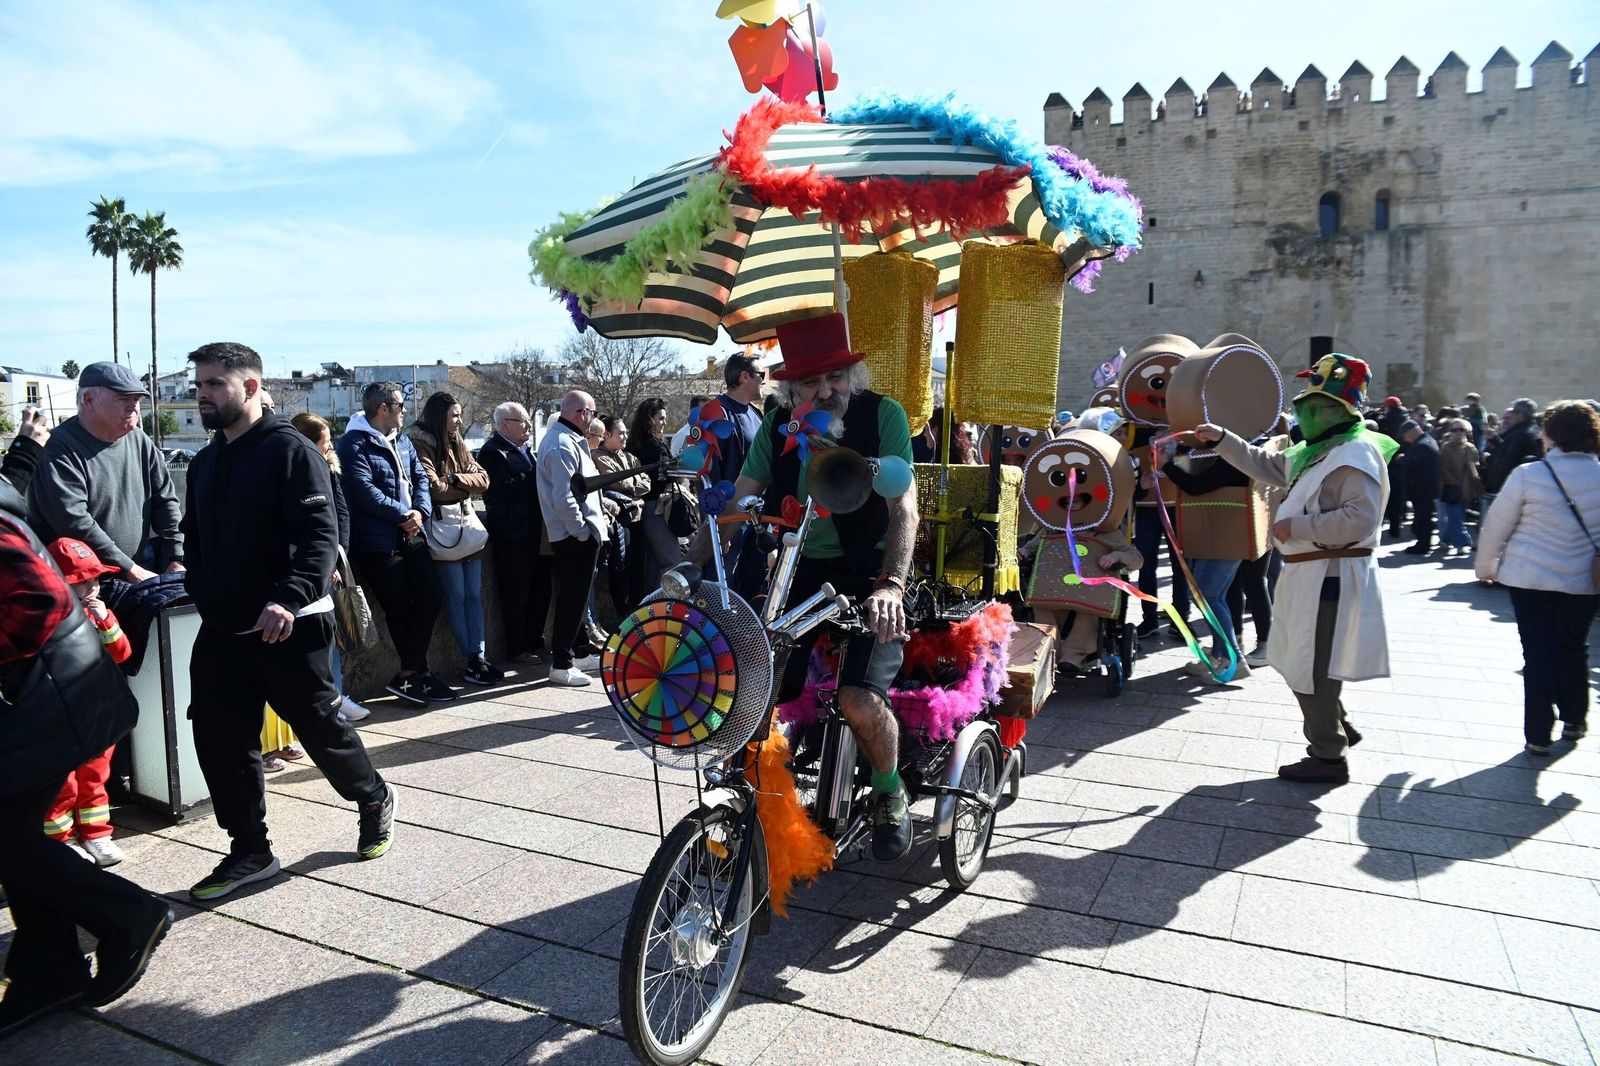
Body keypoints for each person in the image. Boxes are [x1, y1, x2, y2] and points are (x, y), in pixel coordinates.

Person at [698, 312, 919, 861]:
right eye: (812, 383)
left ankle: (891, 793)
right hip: (800, 571)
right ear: (791, 388)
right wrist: (689, 566)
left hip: (872, 569)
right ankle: (759, 803)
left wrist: (891, 583)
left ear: (853, 377)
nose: (826, 391)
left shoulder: (882, 414)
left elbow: (905, 506)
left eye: (835, 378)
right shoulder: (777, 427)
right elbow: (738, 498)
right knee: (756, 690)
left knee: (859, 699)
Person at [181, 342, 396, 901]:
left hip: (289, 625)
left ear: (250, 387)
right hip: (225, 630)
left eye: (213, 384)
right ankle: (250, 849)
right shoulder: (205, 461)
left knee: (319, 726)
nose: (200, 394)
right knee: (220, 736)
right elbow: (194, 540)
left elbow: (320, 539)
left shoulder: (290, 451)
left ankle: (372, 796)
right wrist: (205, 594)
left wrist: (287, 598)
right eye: (198, 384)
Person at [0, 437, 170, 1039]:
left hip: (49, 700)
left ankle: (126, 917)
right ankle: (49, 968)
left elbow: (37, 601)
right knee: (14, 838)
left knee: (10, 840)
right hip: (50, 698)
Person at [1185, 354, 1397, 784]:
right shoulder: (1318, 451)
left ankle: (1328, 755)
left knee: (1311, 667)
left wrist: (1295, 525)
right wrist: (1222, 438)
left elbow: (1360, 520)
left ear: (1345, 410)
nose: (1310, 414)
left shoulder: (1355, 454)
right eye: (1308, 406)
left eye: (1321, 407)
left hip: (1330, 576)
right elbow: (1266, 467)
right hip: (1310, 575)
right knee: (1304, 660)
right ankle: (1337, 727)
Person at [1475, 401, 1600, 755]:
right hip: (1585, 582)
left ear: (1551, 435)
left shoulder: (1529, 475)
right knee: (1575, 647)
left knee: (1538, 654)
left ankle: (1538, 735)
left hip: (1532, 579)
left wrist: (1486, 567)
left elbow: (1496, 526)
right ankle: (1575, 719)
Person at [338, 382, 452, 705]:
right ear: (383, 409)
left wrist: (420, 512)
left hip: (412, 533)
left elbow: (420, 479)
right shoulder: (353, 444)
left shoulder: (402, 441)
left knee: (431, 595)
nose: (406, 412)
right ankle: (418, 674)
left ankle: (409, 674)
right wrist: (403, 514)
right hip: (378, 542)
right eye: (401, 406)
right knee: (400, 608)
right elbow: (362, 489)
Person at [27, 361, 184, 583]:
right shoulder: (58, 448)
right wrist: (129, 568)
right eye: (123, 399)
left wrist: (176, 557)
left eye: (136, 400)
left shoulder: (139, 440)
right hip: (85, 585)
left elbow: (165, 501)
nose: (133, 408)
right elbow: (74, 522)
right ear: (89, 401)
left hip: (139, 568)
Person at [40, 537, 132, 867]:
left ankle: (96, 834)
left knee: (94, 776)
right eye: (83, 582)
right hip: (62, 716)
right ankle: (60, 839)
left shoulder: (100, 614)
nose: (92, 587)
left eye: (95, 579)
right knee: (63, 781)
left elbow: (122, 653)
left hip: (97, 713)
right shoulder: (48, 620)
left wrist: (105, 620)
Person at [408, 393, 505, 687]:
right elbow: (434, 488)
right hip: (442, 529)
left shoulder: (457, 441)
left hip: (465, 526)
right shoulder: (420, 441)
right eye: (455, 416)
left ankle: (478, 657)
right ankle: (472, 661)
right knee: (457, 596)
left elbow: (485, 480)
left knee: (474, 596)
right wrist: (462, 484)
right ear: (439, 417)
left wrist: (455, 481)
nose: (460, 421)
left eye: (460, 415)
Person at [291, 412, 370, 723]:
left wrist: (337, 557)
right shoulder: (299, 470)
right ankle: (324, 701)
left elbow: (341, 515)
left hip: (330, 561)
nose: (330, 447)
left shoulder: (330, 468)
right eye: (325, 443)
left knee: (335, 637)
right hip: (309, 567)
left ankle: (337, 695)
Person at [1156, 453, 1253, 680]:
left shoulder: (1234, 456)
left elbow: (1196, 486)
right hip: (1223, 537)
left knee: (1208, 596)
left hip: (1223, 538)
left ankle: (1234, 660)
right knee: (1213, 597)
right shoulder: (1237, 452)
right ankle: (1220, 654)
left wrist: (1166, 466)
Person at [535, 391, 607, 686]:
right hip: (573, 536)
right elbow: (563, 498)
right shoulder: (561, 444)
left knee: (575, 599)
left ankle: (569, 657)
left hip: (576, 533)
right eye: (593, 412)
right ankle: (562, 663)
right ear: (581, 413)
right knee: (572, 599)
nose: (594, 418)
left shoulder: (565, 439)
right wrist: (581, 532)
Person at [478, 402, 555, 663]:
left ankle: (537, 642)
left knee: (540, 591)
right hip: (512, 536)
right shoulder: (492, 452)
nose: (528, 426)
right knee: (516, 594)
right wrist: (538, 478)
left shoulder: (526, 451)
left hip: (536, 533)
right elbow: (502, 489)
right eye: (522, 421)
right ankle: (518, 648)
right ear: (504, 425)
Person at [625, 396, 684, 598]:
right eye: (661, 418)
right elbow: (664, 474)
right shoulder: (652, 447)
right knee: (672, 562)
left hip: (648, 509)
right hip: (656, 509)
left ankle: (653, 609)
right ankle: (668, 609)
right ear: (649, 419)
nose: (664, 423)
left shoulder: (635, 444)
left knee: (654, 565)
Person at [593, 415, 650, 619]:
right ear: (607, 434)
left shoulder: (630, 457)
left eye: (626, 432)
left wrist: (633, 484)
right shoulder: (599, 456)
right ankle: (622, 612)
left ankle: (639, 608)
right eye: (621, 432)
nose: (625, 436)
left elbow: (646, 481)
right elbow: (616, 482)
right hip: (619, 522)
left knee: (638, 566)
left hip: (637, 517)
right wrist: (635, 485)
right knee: (621, 568)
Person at [1438, 418, 1484, 557]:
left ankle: (1445, 539)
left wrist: (1477, 487)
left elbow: (1475, 468)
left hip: (1467, 490)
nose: (1458, 433)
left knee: (1457, 518)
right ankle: (1463, 543)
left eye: (1461, 430)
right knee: (1455, 517)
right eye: (1454, 430)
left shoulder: (1470, 448)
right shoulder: (1446, 447)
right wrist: (1453, 482)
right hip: (1452, 489)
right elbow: (1443, 469)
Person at [1483, 397, 1543, 496]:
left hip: (1508, 489)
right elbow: (1507, 449)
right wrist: (1494, 440)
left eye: (1514, 412)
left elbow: (1508, 460)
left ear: (1522, 414)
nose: (1512, 415)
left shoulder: (1524, 434)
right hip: (1511, 487)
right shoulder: (1522, 431)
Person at [1400, 420, 1441, 555]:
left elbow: (1416, 466)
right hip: (1423, 488)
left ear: (1411, 432)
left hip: (1423, 489)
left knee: (1423, 518)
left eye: (1405, 436)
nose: (1406, 440)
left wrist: (1402, 460)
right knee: (1422, 518)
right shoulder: (1426, 441)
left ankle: (1423, 545)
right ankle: (1422, 542)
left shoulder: (1423, 446)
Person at [1375, 395, 1409, 539]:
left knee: (1383, 494)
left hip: (1386, 461)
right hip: (1402, 461)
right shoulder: (1407, 420)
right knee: (1398, 496)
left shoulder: (1384, 421)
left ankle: (1380, 525)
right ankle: (1396, 528)